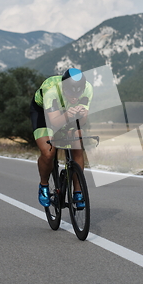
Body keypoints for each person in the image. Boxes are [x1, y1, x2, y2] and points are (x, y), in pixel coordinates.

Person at [30, 68, 93, 208]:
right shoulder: (51, 90)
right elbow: (54, 123)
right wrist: (68, 116)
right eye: (70, 91)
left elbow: (82, 122)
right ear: (64, 87)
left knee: (78, 143)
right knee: (48, 152)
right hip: (43, 114)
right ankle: (44, 185)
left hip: (67, 112)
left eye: (78, 92)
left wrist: (80, 115)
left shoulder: (88, 89)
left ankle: (78, 191)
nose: (75, 96)